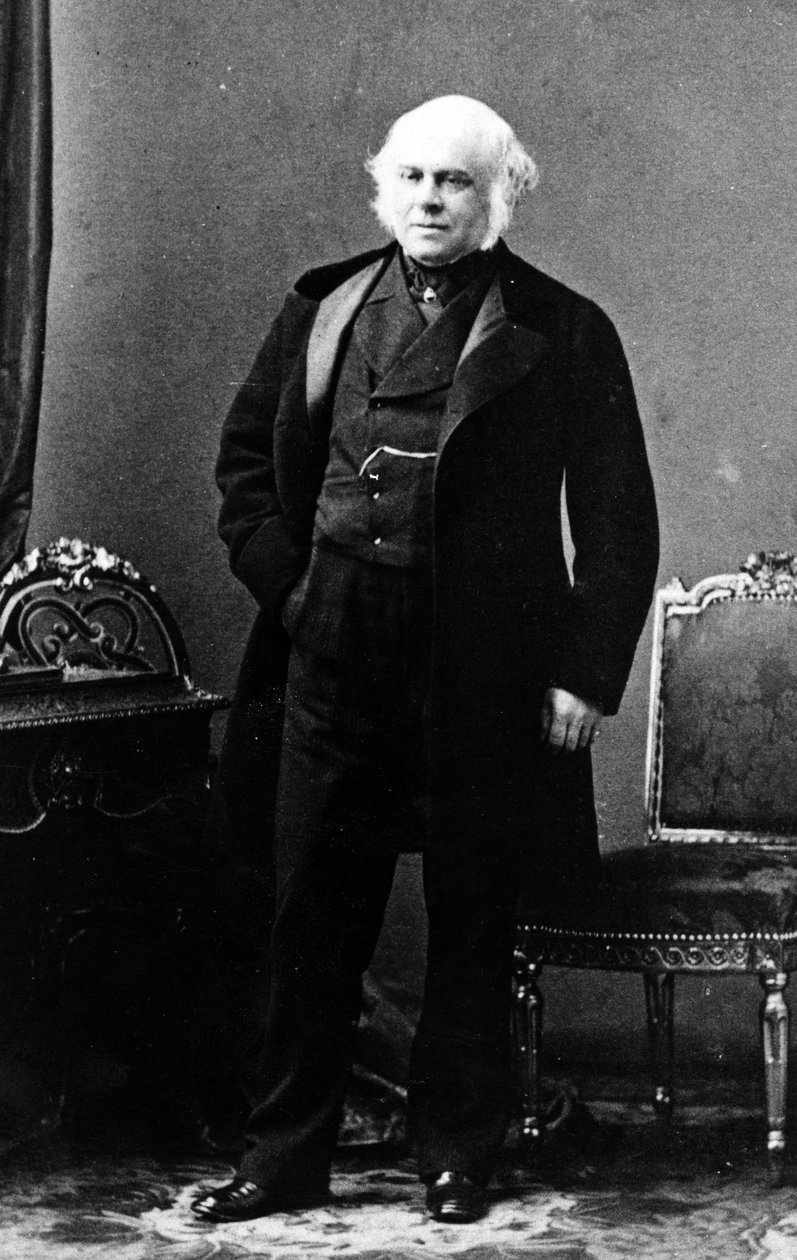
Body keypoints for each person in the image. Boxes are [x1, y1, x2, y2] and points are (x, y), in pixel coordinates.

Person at [192, 95, 659, 1225]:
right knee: (310, 915)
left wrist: (582, 674)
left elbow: (617, 521)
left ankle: (456, 1152)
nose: (430, 200)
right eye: (410, 178)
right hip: (330, 658)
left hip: (482, 671)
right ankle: (281, 1155)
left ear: (503, 194)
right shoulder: (321, 309)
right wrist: (294, 593)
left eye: (455, 181)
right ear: (380, 187)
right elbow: (244, 468)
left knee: (471, 915)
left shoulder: (564, 328)